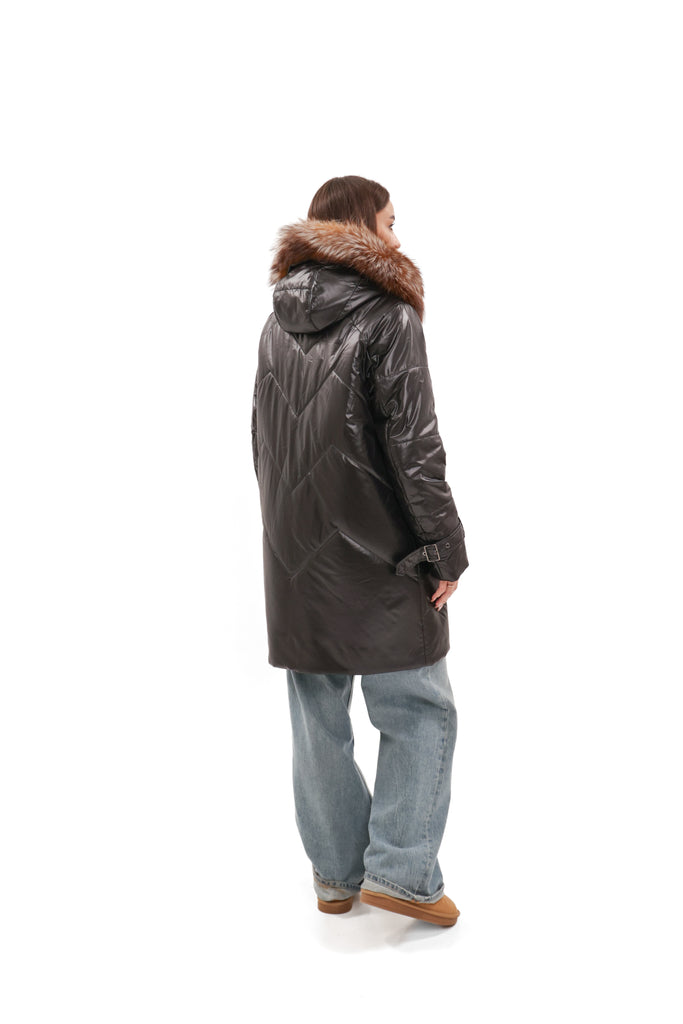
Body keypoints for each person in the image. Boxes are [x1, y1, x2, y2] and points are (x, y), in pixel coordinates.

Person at [251, 175, 469, 927]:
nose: (398, 237)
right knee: (418, 706)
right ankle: (402, 872)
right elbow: (415, 446)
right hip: (382, 552)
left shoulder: (276, 322)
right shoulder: (389, 314)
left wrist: (284, 539)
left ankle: (338, 877)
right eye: (390, 221)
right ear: (359, 228)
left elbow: (261, 441)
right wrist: (442, 547)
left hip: (294, 554)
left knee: (318, 715)